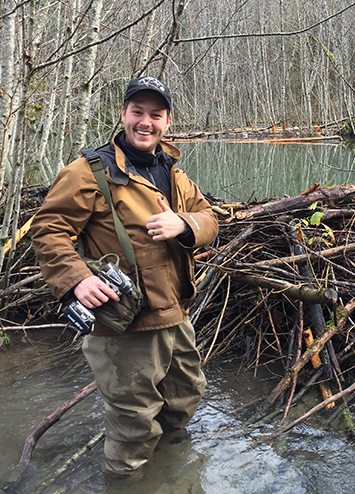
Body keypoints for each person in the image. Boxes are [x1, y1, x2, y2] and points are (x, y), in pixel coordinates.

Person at [31, 76, 218, 476]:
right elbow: (48, 229)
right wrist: (77, 279)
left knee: (186, 396)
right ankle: (126, 481)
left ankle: (169, 472)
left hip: (175, 312)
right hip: (125, 324)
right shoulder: (88, 171)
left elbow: (210, 219)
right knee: (134, 423)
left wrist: (183, 224)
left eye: (156, 114)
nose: (145, 122)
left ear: (167, 121)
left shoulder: (173, 170)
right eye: (138, 112)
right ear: (124, 114)